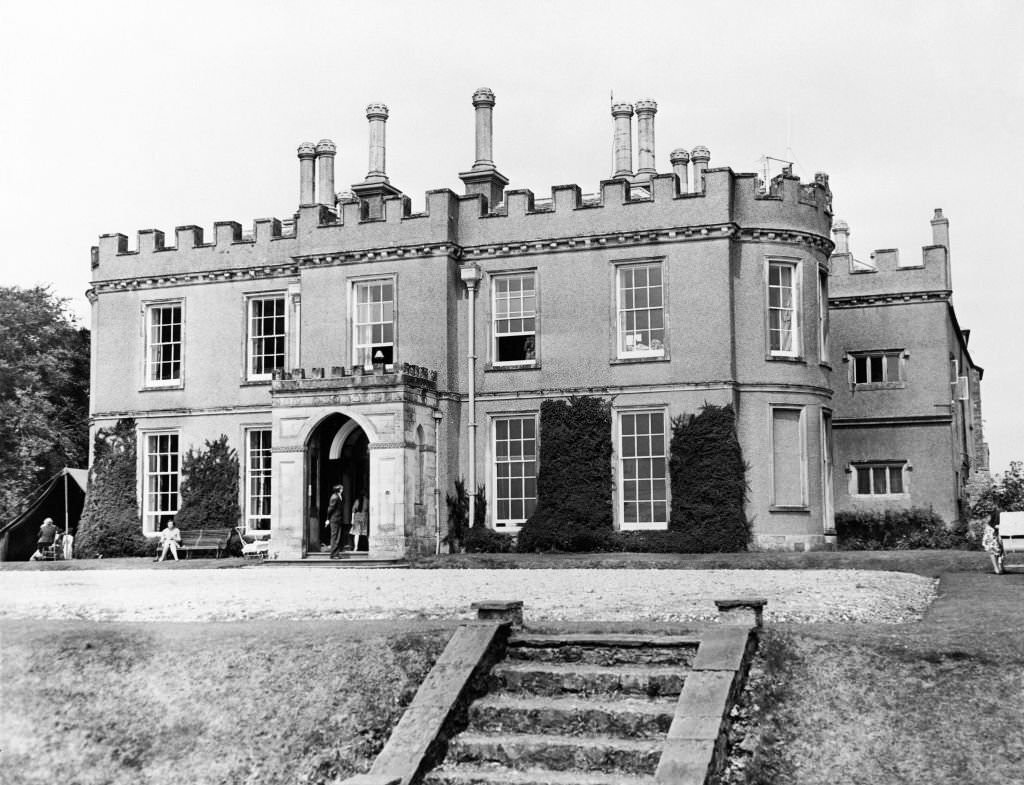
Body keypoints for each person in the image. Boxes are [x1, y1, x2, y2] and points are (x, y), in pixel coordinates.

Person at [326, 484, 346, 558]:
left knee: (338, 537)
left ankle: (336, 553)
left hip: (339, 519)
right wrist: (327, 519)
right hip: (334, 519)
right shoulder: (334, 497)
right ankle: (333, 554)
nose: (342, 489)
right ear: (339, 489)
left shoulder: (340, 496)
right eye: (341, 488)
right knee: (334, 536)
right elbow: (330, 509)